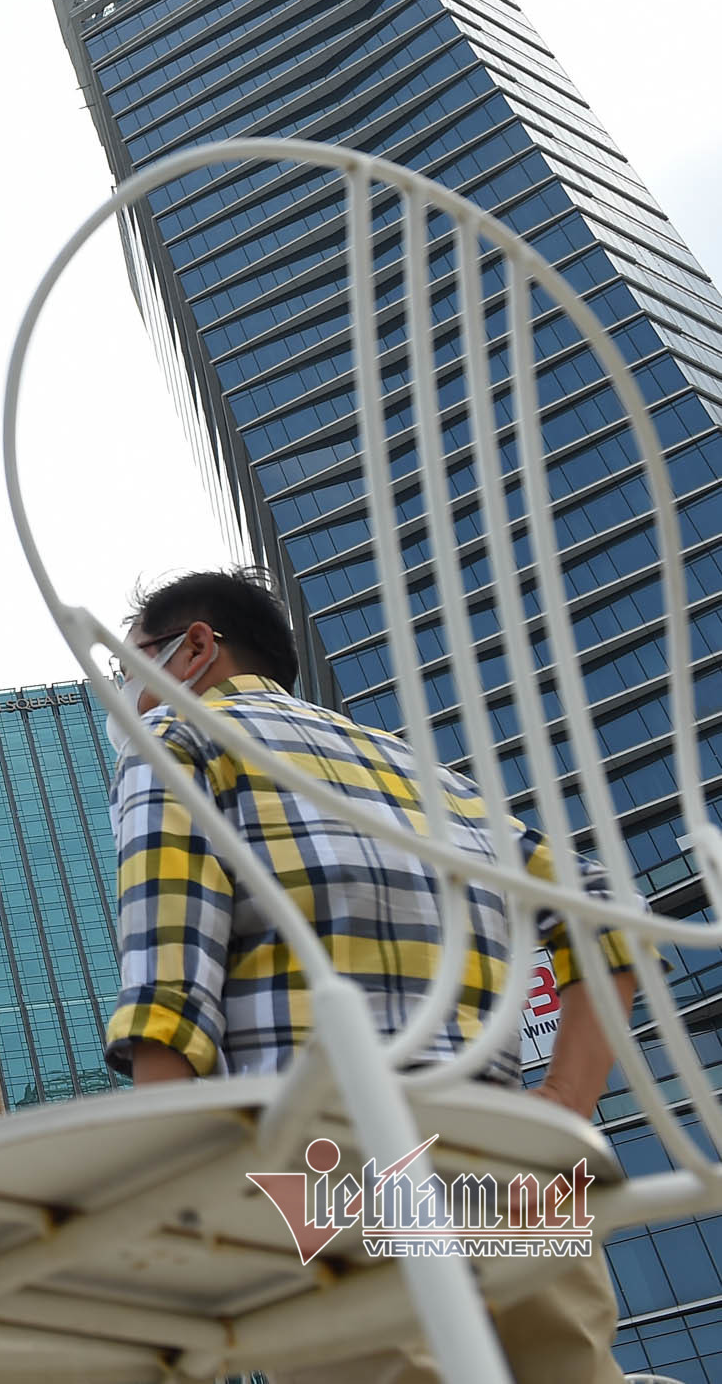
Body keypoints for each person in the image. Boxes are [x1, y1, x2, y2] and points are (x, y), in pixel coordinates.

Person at [103, 569, 636, 1384]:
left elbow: (170, 984)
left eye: (129, 666)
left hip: (329, 1155)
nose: (125, 697)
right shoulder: (436, 781)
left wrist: (179, 1197)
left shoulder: (179, 745)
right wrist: (563, 1103)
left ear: (195, 648)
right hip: (513, 1160)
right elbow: (603, 910)